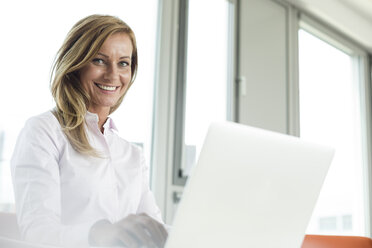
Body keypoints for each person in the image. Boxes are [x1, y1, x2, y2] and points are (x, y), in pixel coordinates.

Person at [10, 14, 168, 248]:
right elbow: (38, 232)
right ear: (76, 64)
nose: (113, 74)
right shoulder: (44, 132)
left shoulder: (133, 155)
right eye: (99, 60)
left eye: (123, 63)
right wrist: (99, 234)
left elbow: (155, 231)